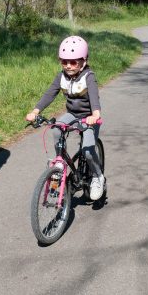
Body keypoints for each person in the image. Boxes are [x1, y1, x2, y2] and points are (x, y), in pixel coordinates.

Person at [25, 36, 106, 200]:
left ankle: (98, 177)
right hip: (72, 115)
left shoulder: (88, 76)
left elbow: (94, 96)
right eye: (64, 62)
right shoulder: (61, 76)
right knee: (56, 129)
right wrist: (36, 111)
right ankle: (60, 161)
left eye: (74, 62)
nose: (68, 66)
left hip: (89, 117)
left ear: (84, 61)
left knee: (88, 151)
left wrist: (95, 114)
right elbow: (50, 93)